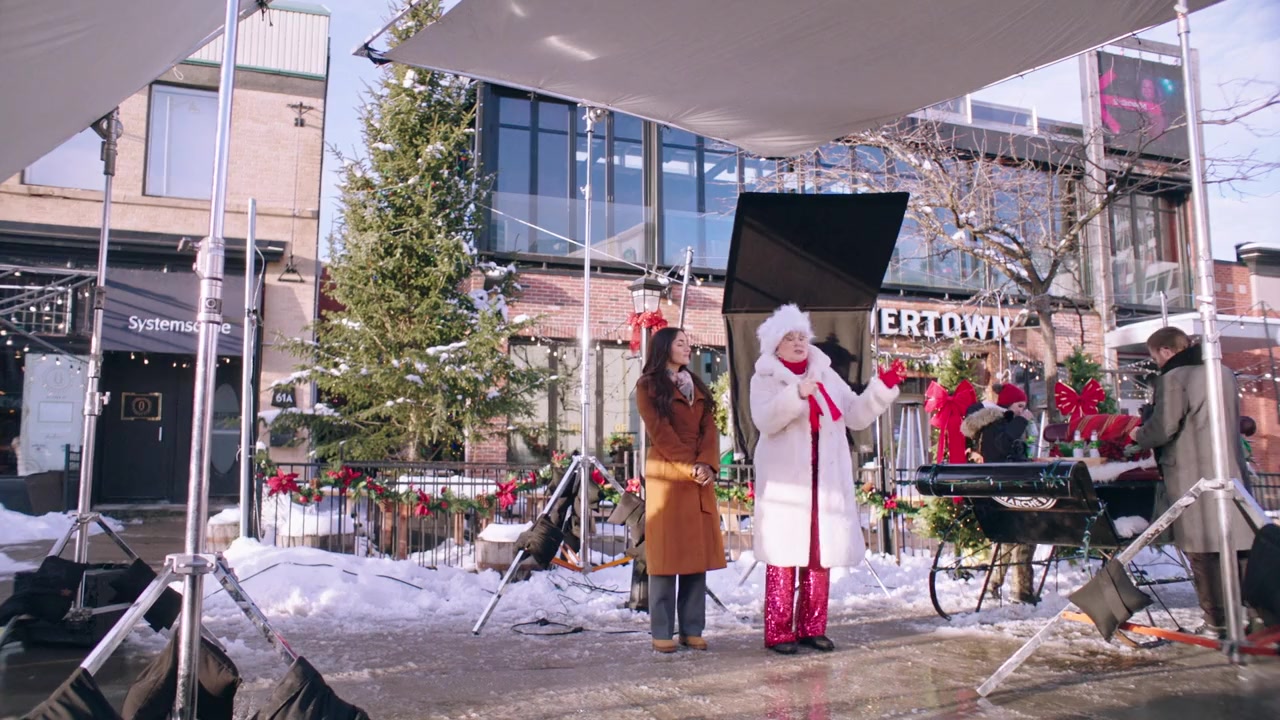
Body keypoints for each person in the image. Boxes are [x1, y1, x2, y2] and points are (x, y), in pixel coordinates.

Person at [749, 304, 903, 654]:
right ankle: (778, 632)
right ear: (776, 345)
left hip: (825, 479)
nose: (798, 343)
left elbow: (855, 415)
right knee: (784, 556)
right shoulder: (765, 378)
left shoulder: (827, 375)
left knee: (820, 555)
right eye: (790, 338)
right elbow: (764, 420)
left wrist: (882, 388)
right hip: (788, 484)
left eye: (802, 337)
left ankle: (812, 628)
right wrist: (796, 395)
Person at [1130, 327, 1257, 636]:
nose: (1157, 363)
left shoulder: (1174, 378)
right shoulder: (1224, 373)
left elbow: (1163, 428)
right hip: (1230, 471)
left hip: (1192, 473)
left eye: (1155, 357)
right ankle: (1253, 615)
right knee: (1240, 547)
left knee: (1202, 550)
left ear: (1165, 351)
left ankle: (1216, 621)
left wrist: (1138, 434)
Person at [634, 327, 725, 653]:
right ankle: (662, 631)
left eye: (689, 343)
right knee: (666, 557)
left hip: (699, 476)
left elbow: (710, 430)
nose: (688, 348)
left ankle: (692, 629)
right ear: (664, 348)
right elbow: (661, 433)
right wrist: (690, 467)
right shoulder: (647, 386)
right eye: (681, 343)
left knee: (695, 557)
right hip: (668, 475)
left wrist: (707, 464)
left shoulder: (697, 385)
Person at [962, 383, 1039, 604]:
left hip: (998, 490)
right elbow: (1002, 447)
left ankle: (994, 585)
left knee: (1006, 540)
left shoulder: (990, 423)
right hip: (1008, 488)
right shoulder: (997, 424)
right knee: (1025, 536)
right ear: (1008, 405)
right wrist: (1022, 421)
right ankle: (1021, 591)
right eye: (1019, 405)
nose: (1022, 410)